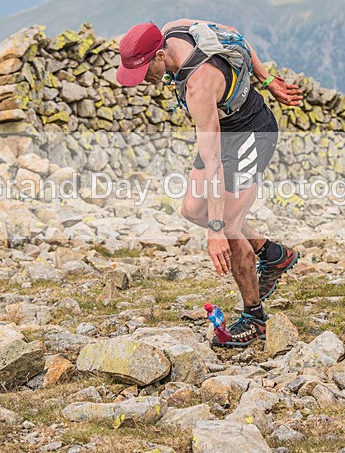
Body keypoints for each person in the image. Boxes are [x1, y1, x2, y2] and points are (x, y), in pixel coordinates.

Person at [116, 19, 303, 348]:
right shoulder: (175, 27)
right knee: (191, 209)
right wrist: (268, 78)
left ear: (159, 54)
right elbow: (236, 35)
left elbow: (214, 162)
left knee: (229, 229)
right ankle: (272, 254)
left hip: (251, 137)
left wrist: (216, 229)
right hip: (222, 134)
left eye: (145, 70)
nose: (143, 80)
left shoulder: (199, 87)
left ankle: (254, 317)